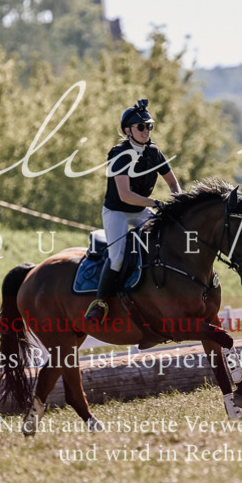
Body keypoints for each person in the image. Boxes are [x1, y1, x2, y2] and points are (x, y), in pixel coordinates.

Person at [84, 99, 182, 322]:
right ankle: (100, 304)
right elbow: (125, 195)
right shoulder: (118, 153)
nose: (146, 130)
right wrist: (157, 204)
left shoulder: (154, 152)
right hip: (117, 212)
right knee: (117, 257)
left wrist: (178, 203)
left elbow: (174, 184)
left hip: (140, 211)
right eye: (141, 127)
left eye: (149, 126)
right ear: (128, 130)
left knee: (163, 241)